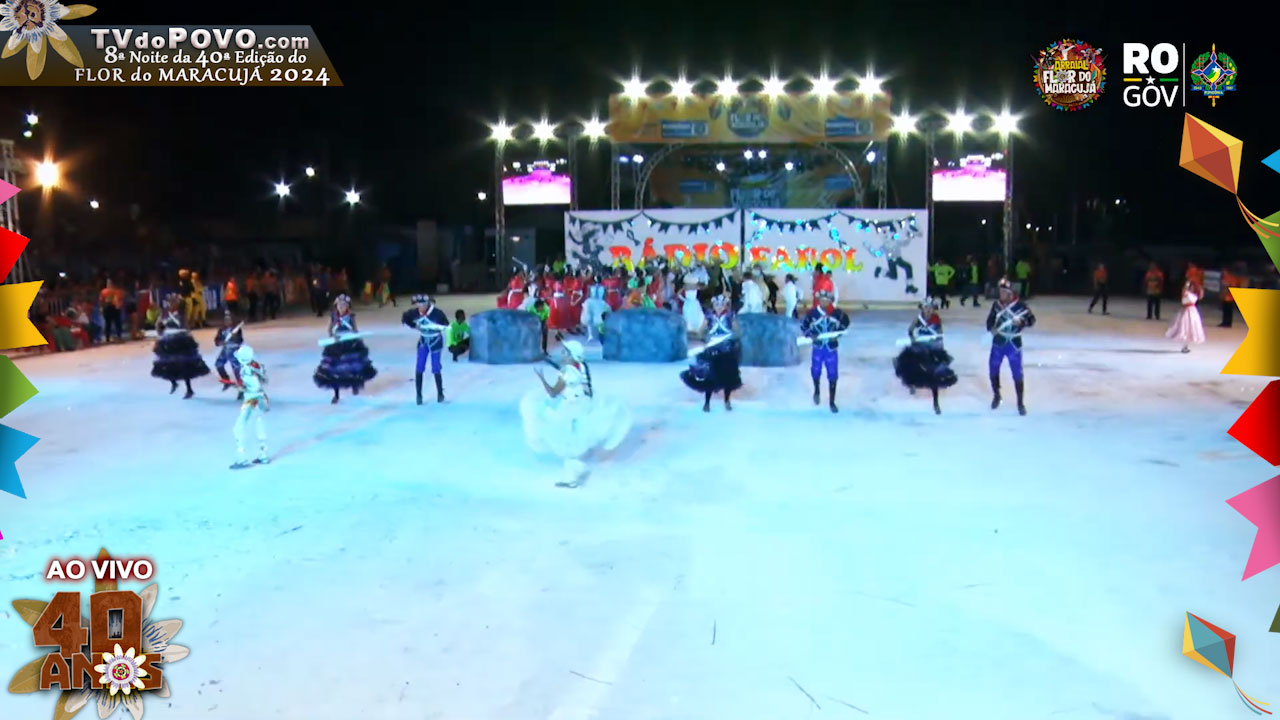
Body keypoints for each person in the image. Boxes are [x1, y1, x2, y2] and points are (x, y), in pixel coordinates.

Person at [520, 340, 630, 487]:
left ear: (571, 355)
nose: (562, 355)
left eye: (565, 352)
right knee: (571, 437)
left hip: (570, 407)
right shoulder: (581, 366)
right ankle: (575, 470)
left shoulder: (567, 372)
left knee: (563, 437)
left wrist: (542, 378)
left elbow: (553, 392)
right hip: (583, 403)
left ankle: (574, 474)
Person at [893, 297, 957, 414]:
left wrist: (937, 344)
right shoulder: (918, 319)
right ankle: (912, 385)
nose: (928, 310)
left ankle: (935, 402)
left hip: (932, 348)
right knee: (911, 365)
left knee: (934, 374)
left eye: (930, 308)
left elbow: (940, 335)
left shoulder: (936, 319)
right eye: (926, 308)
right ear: (922, 308)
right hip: (920, 346)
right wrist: (914, 338)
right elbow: (910, 331)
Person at [681, 293, 741, 412]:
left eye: (721, 305)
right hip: (712, 350)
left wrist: (731, 338)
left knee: (728, 377)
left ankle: (727, 400)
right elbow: (701, 330)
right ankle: (707, 402)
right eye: (717, 304)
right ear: (713, 305)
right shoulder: (709, 317)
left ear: (725, 305)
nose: (719, 307)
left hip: (726, 350)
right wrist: (699, 335)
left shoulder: (730, 316)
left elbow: (737, 331)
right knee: (710, 377)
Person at [314, 294, 377, 404]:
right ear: (336, 306)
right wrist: (333, 336)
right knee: (334, 370)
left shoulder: (351, 316)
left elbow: (355, 329)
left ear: (347, 306)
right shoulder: (333, 316)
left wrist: (355, 337)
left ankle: (354, 385)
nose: (341, 307)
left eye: (344, 305)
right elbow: (329, 329)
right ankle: (336, 394)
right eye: (339, 305)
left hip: (349, 343)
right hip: (336, 345)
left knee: (353, 368)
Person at [986, 279, 1035, 415]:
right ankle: (996, 395)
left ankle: (1020, 403)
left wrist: (1022, 322)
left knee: (1017, 373)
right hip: (999, 341)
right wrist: (991, 328)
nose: (1001, 294)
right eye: (1000, 292)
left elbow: (1032, 320)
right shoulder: (996, 305)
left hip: (1014, 343)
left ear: (1010, 293)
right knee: (993, 369)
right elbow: (989, 321)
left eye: (1003, 292)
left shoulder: (1020, 306)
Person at [800, 289, 851, 413]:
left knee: (833, 374)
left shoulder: (836, 313)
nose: (824, 302)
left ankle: (832, 401)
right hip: (818, 347)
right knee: (816, 371)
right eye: (822, 300)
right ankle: (817, 390)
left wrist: (838, 333)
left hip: (831, 348)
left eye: (827, 300)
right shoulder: (812, 313)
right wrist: (810, 334)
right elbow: (804, 326)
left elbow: (846, 322)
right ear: (819, 300)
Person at [150, 294, 210, 399]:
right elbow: (158, 325)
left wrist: (187, 337)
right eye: (170, 302)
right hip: (168, 340)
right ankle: (174, 383)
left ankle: (189, 389)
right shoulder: (165, 313)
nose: (171, 304)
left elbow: (186, 327)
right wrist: (160, 335)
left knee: (184, 365)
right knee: (166, 364)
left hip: (180, 340)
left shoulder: (181, 315)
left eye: (174, 302)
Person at [402, 294, 450, 405]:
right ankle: (418, 395)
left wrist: (436, 327)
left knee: (436, 367)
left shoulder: (437, 313)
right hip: (423, 341)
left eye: (422, 305)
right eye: (418, 305)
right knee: (419, 367)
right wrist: (414, 326)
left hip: (435, 341)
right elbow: (405, 317)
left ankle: (440, 394)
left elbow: (446, 325)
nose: (420, 307)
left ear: (427, 304)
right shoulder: (415, 312)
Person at [229, 344, 270, 469]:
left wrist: (241, 388)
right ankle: (263, 455)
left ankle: (242, 458)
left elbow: (254, 387)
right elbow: (262, 382)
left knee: (238, 428)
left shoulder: (246, 370)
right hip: (261, 398)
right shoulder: (256, 366)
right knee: (259, 424)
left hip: (251, 399)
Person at [1167, 278, 1206, 353]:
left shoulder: (1194, 295)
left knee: (1190, 328)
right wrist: (1187, 284)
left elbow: (1200, 294)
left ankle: (1186, 346)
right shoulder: (1186, 293)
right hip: (1186, 311)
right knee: (1185, 328)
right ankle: (1184, 346)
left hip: (1192, 312)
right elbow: (1184, 291)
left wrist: (1199, 287)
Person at [213, 309, 246, 397]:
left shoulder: (236, 330)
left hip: (234, 350)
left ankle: (241, 389)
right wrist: (220, 342)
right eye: (225, 320)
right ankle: (226, 381)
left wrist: (235, 340)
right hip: (225, 350)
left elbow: (240, 340)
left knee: (236, 369)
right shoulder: (221, 330)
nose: (227, 322)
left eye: (229, 320)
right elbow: (217, 340)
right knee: (218, 364)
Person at [1219, 263, 1242, 328]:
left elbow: (1234, 285)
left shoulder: (1231, 277)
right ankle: (1225, 321)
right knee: (1225, 309)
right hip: (1225, 296)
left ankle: (1228, 322)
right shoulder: (1224, 277)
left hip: (1229, 296)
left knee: (1228, 309)